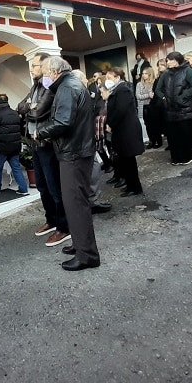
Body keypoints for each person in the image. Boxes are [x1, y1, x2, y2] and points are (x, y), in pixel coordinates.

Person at [35, 56, 100, 271]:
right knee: (75, 203)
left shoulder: (67, 87)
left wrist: (40, 132)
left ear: (55, 72)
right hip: (76, 150)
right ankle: (81, 245)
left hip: (74, 153)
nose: (44, 76)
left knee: (75, 204)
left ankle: (87, 255)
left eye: (45, 72)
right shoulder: (70, 84)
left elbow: (62, 122)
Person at [17, 53, 70, 247]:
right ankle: (52, 220)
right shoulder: (35, 87)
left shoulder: (49, 87)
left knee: (54, 187)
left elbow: (38, 112)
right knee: (41, 186)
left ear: (45, 66)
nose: (31, 69)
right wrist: (29, 106)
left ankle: (64, 227)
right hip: (35, 144)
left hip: (47, 143)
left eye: (35, 66)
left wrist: (31, 108)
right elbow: (19, 107)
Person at [71, 70, 112, 215]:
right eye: (84, 78)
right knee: (92, 169)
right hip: (82, 140)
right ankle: (91, 202)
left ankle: (88, 201)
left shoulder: (78, 94)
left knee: (90, 170)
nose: (86, 81)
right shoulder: (77, 95)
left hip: (83, 139)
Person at [104, 67, 145, 196]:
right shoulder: (117, 89)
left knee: (129, 160)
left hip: (127, 130)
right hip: (122, 129)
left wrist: (111, 123)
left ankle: (135, 187)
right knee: (125, 159)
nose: (107, 80)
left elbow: (120, 110)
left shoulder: (122, 90)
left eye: (109, 78)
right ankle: (130, 185)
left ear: (117, 77)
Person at [154, 52, 192, 165]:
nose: (168, 62)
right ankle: (176, 158)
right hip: (170, 110)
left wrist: (183, 96)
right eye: (167, 60)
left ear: (177, 60)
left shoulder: (188, 71)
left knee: (186, 135)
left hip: (186, 110)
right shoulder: (165, 74)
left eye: (170, 60)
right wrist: (164, 98)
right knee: (173, 136)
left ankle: (187, 157)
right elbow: (158, 90)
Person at [0, 94, 29, 195]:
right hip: (15, 146)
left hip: (1, 147)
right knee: (16, 168)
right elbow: (20, 129)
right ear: (7, 101)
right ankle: (23, 188)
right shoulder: (15, 113)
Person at [135, 67, 155, 148]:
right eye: (143, 74)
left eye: (146, 73)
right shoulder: (139, 84)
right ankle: (151, 140)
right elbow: (138, 96)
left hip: (152, 106)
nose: (144, 75)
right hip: (143, 106)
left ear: (150, 74)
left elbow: (154, 95)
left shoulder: (153, 83)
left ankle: (156, 140)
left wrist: (149, 96)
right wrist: (148, 95)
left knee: (154, 124)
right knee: (146, 124)